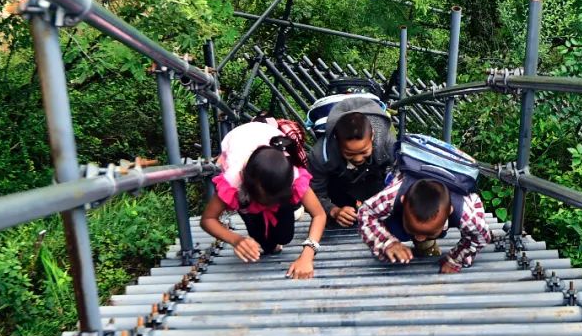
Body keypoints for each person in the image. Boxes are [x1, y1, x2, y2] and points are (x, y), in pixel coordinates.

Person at [200, 119, 326, 279]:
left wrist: (307, 255)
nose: (269, 204)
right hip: (244, 170)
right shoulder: (235, 182)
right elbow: (208, 219)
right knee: (263, 244)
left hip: (265, 153)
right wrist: (236, 240)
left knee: (284, 237)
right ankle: (263, 228)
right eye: (265, 201)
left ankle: (286, 216)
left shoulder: (291, 177)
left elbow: (319, 214)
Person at [358, 172, 492, 274]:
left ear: (449, 211)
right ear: (403, 201)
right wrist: (386, 242)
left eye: (427, 233)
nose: (418, 238)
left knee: (473, 232)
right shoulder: (393, 196)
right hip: (401, 214)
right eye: (414, 231)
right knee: (398, 230)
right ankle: (410, 230)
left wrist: (455, 260)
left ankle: (424, 234)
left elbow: (481, 236)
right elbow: (365, 212)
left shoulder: (467, 213)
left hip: (457, 209)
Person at [307, 96, 394, 227]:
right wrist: (333, 210)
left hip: (376, 180)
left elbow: (400, 180)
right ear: (336, 141)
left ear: (373, 136)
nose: (358, 159)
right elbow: (312, 194)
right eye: (350, 153)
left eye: (364, 151)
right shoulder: (320, 154)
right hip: (340, 185)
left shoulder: (388, 144)